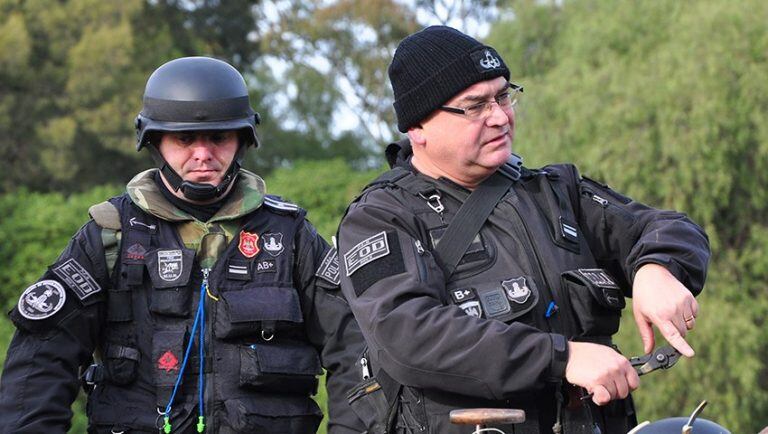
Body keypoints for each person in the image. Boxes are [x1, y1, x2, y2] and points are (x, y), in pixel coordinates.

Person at [337, 26, 709, 433]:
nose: (499, 116)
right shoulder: (380, 218)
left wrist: (657, 268)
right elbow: (408, 336)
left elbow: (667, 227)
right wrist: (562, 357)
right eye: (475, 106)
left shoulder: (555, 193)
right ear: (418, 127)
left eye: (502, 96)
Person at [0, 56, 367, 433]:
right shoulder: (111, 235)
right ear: (154, 141)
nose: (203, 154)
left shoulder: (291, 235)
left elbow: (356, 352)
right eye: (185, 138)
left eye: (219, 137)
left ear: (242, 140)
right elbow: (39, 364)